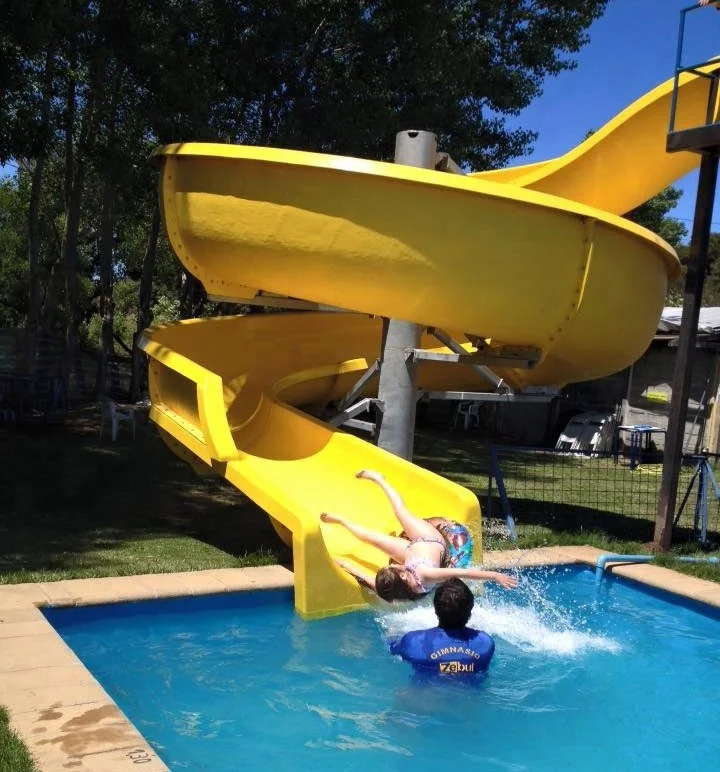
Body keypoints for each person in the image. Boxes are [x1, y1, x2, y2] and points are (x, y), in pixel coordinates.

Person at [321, 469, 518, 602]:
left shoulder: (391, 589)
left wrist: (340, 564)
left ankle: (341, 521)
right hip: (429, 540)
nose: (392, 564)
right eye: (393, 568)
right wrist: (495, 575)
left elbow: (360, 574)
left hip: (410, 551)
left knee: (371, 537)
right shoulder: (425, 574)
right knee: (400, 513)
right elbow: (462, 573)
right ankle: (379, 478)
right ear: (403, 575)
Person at [388, 578, 495, 676]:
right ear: (470, 611)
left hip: (425, 695)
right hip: (472, 695)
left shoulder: (412, 642)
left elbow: (392, 648)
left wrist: (391, 633)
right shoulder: (485, 643)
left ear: (435, 609)